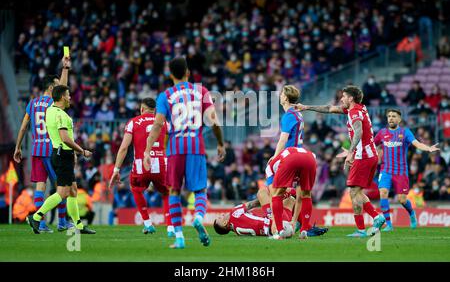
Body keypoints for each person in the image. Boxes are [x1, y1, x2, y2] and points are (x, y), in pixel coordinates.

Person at [143, 57, 225, 249]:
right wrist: (221, 143)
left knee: (174, 191)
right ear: (188, 72)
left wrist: (147, 150)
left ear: (170, 75)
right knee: (200, 190)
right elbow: (213, 120)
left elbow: (157, 124)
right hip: (196, 146)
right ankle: (197, 217)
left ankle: (179, 238)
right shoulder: (201, 91)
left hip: (175, 148)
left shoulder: (165, 96)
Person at [296, 85, 385, 237]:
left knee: (353, 192)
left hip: (363, 156)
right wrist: (306, 107)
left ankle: (362, 230)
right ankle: (377, 217)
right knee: (357, 191)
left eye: (344, 96)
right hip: (368, 155)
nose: (341, 98)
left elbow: (359, 131)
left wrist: (350, 152)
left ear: (350, 98)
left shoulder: (355, 112)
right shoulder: (357, 108)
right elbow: (329, 108)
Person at [27, 85, 96, 234]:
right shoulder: (61, 115)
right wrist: (82, 151)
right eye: (68, 94)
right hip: (63, 154)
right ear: (63, 97)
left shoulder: (50, 110)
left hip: (59, 153)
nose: (70, 97)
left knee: (73, 190)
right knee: (63, 192)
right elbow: (65, 138)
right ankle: (37, 217)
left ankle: (78, 225)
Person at [14, 56, 71, 232]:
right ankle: (62, 222)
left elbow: (24, 127)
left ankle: (42, 224)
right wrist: (65, 68)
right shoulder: (53, 103)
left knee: (40, 186)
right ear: (52, 88)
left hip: (37, 149)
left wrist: (17, 147)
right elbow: (63, 87)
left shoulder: (32, 103)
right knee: (61, 186)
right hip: (53, 149)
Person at [109, 97, 174, 236]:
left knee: (136, 189)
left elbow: (124, 148)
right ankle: (170, 227)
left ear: (141, 109)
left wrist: (116, 169)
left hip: (141, 164)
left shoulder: (133, 122)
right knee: (167, 192)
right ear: (155, 110)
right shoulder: (162, 121)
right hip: (161, 163)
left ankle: (148, 223)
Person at [373, 109, 440, 231]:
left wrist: (428, 148)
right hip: (385, 170)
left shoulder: (405, 132)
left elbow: (417, 143)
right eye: (389, 116)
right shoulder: (382, 133)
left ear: (399, 119)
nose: (391, 118)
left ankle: (412, 214)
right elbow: (371, 144)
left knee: (402, 199)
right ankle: (388, 224)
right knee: (383, 192)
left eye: (394, 116)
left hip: (401, 171)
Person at [213, 187, 328, 237]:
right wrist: (275, 197)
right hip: (275, 224)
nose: (222, 214)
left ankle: (303, 227)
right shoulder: (234, 213)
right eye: (220, 217)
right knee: (262, 192)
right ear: (224, 224)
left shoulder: (237, 232)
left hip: (282, 229)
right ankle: (295, 192)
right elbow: (253, 203)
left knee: (289, 201)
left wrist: (277, 199)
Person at [267, 147, 318, 240]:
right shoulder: (282, 158)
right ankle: (304, 231)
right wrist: (293, 220)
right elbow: (299, 198)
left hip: (291, 160)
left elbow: (272, 196)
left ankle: (280, 231)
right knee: (306, 194)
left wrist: (274, 221)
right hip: (310, 158)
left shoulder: (269, 169)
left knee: (277, 194)